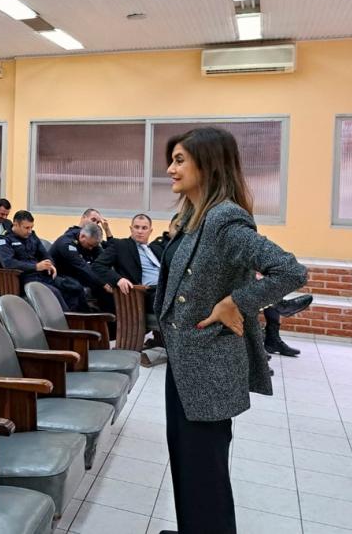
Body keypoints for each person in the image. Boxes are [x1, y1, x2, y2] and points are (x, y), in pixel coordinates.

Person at [156, 127, 307, 534]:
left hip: (207, 365)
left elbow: (291, 271)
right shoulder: (193, 215)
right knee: (188, 464)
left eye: (180, 159)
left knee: (204, 471)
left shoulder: (224, 219)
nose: (170, 168)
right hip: (186, 358)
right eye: (172, 159)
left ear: (209, 164)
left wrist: (234, 303)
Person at [0, 210, 86, 311]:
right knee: (54, 293)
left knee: (74, 287)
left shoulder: (32, 236)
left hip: (43, 275)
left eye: (31, 227)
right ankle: (67, 321)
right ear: (15, 224)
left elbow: (45, 254)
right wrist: (36, 267)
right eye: (26, 228)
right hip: (25, 278)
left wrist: (50, 264)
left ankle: (83, 320)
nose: (30, 231)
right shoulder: (5, 239)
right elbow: (8, 263)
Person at [92, 214, 164, 317]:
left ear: (150, 231)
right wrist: (118, 279)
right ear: (131, 229)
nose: (140, 231)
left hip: (165, 290)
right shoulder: (121, 245)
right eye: (136, 227)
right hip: (145, 294)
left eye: (144, 228)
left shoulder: (157, 249)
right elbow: (97, 266)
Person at [51, 209, 115, 311]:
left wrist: (113, 279)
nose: (90, 249)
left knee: (108, 289)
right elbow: (82, 267)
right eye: (93, 220)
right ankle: (82, 322)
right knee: (76, 287)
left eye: (98, 222)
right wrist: (102, 283)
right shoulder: (66, 242)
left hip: (78, 274)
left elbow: (105, 258)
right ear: (82, 236)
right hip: (60, 275)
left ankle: (110, 323)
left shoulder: (92, 239)